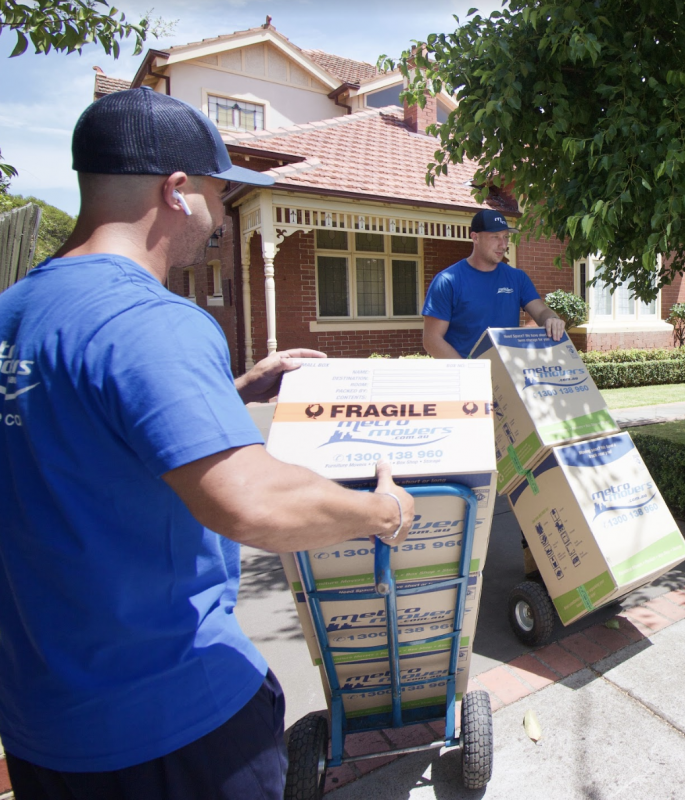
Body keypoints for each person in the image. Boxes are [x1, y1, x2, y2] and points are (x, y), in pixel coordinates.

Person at [0, 87, 414, 800]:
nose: (221, 218)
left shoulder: (16, 310)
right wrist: (379, 514)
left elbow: (87, 435)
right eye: (221, 196)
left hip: (44, 727)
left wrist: (235, 390)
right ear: (178, 191)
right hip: (174, 723)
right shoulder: (154, 319)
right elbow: (249, 502)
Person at [422, 209, 566, 358]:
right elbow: (432, 340)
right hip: (466, 374)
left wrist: (552, 319)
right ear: (475, 238)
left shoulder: (517, 278)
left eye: (505, 237)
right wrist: (468, 372)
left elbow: (541, 312)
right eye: (495, 237)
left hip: (508, 373)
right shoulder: (448, 281)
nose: (503, 245)